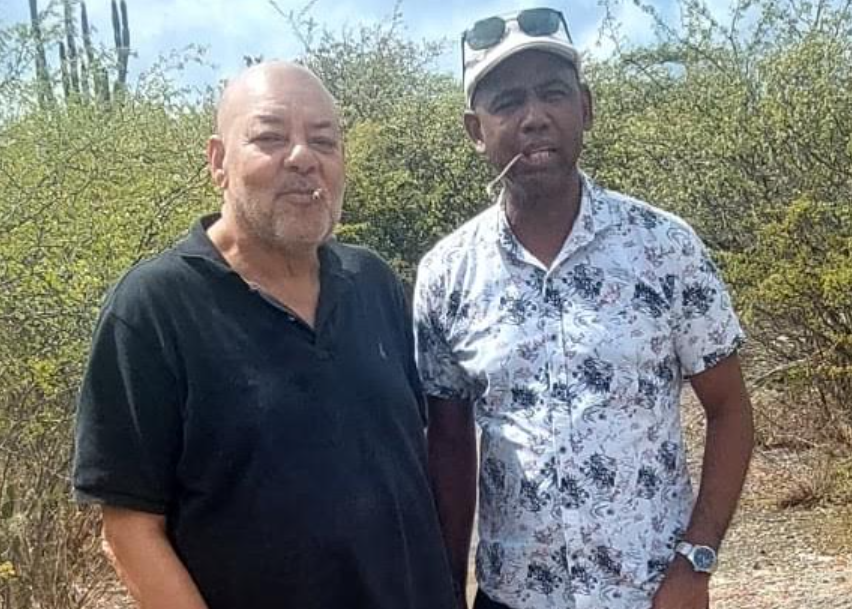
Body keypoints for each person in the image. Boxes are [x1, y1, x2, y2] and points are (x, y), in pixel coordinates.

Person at [73, 61, 456, 609]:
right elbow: (130, 530)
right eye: (270, 138)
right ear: (218, 162)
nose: (303, 158)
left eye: (323, 140)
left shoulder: (373, 283)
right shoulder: (154, 309)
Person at [414, 8, 754, 609]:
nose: (534, 117)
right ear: (475, 131)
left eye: (553, 93)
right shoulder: (446, 274)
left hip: (651, 594)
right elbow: (449, 444)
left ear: (586, 108)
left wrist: (696, 561)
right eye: (507, 102)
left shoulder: (665, 247)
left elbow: (729, 409)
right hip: (512, 597)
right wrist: (445, 588)